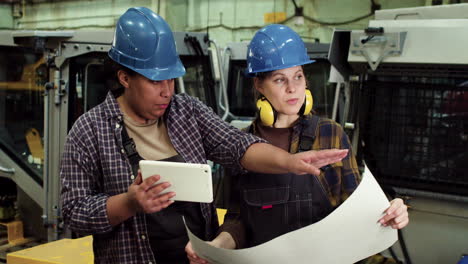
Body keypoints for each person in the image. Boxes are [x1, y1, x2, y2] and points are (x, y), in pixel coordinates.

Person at [60, 8, 349, 264]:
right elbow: (73, 212)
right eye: (155, 81)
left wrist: (290, 161)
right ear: (125, 78)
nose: (167, 91)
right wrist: (130, 203)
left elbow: (237, 146)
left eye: (171, 78)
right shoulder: (89, 131)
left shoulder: (186, 112)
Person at [185, 24, 409, 264]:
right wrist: (215, 247)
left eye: (298, 76)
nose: (293, 88)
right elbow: (236, 219)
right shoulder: (241, 145)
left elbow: (355, 206)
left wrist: (390, 211)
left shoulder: (329, 133)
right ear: (259, 85)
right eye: (280, 79)